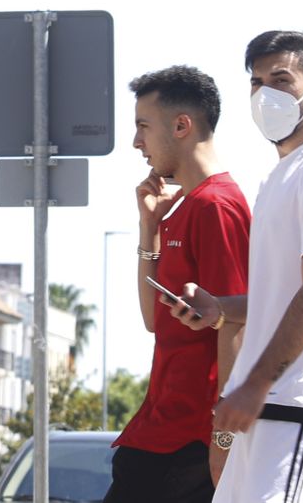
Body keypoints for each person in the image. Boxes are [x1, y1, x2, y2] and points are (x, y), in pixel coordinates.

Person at [164, 30, 303, 503]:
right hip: (264, 400)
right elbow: (279, 299)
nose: (265, 93)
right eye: (256, 82)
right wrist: (220, 310)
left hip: (298, 397)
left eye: (281, 78)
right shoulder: (282, 174)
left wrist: (257, 384)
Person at [106, 66, 252, 503]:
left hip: (191, 445)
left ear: (182, 126)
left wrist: (224, 444)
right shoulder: (187, 207)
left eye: (142, 127)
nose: (136, 142)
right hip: (159, 432)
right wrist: (148, 226)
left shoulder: (217, 206)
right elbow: (154, 320)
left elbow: (236, 322)